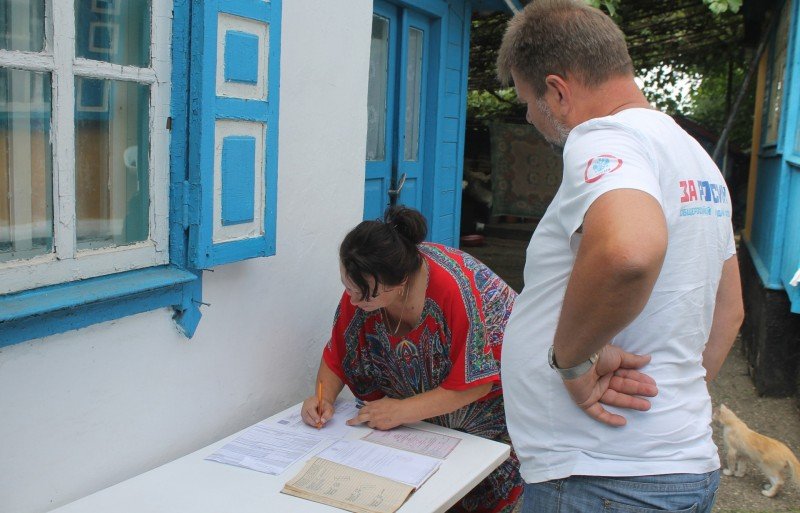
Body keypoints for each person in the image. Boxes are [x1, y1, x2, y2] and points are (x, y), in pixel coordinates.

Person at [495, 1, 745, 512]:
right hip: (671, 468)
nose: (528, 114)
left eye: (527, 99)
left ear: (558, 91)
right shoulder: (696, 159)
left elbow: (628, 250)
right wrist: (667, 401)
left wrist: (572, 362)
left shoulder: (604, 136)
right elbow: (730, 311)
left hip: (599, 480)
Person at [301, 205, 522, 513]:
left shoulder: (455, 291)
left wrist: (401, 410)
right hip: (429, 426)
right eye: (346, 286)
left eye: (363, 295)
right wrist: (322, 396)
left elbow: (475, 385)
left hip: (495, 414)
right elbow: (339, 353)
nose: (352, 299)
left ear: (401, 282)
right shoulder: (365, 285)